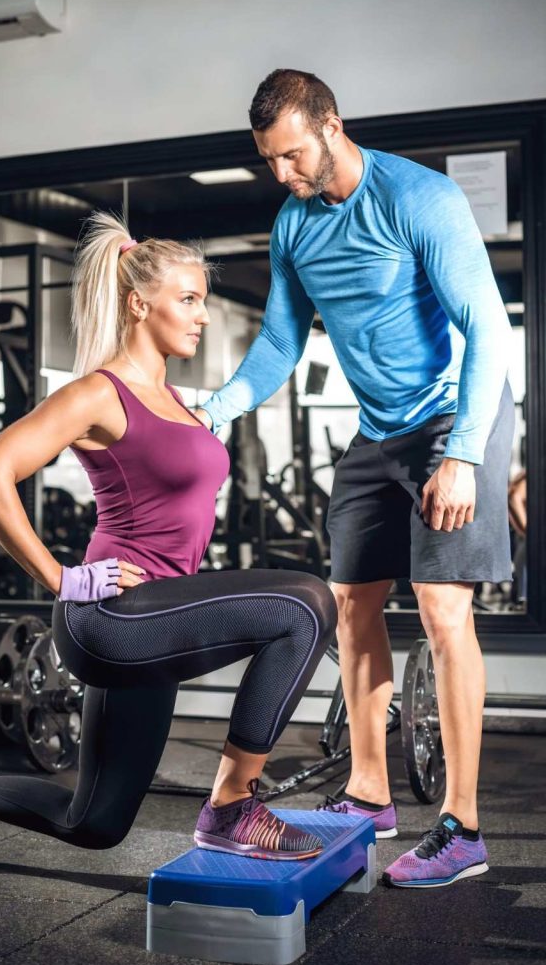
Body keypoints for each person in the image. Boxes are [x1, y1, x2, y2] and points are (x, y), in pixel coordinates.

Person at [0, 212, 338, 868]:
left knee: (95, 823)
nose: (202, 316)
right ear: (138, 303)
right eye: (188, 300)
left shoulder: (178, 399)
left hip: (160, 615)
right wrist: (61, 578)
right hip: (112, 616)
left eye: (202, 302)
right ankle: (233, 807)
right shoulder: (98, 393)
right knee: (305, 605)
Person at [196, 69, 514, 888]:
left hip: (453, 417)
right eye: (269, 161)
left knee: (443, 610)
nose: (283, 176)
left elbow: (487, 332)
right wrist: (217, 408)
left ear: (333, 125)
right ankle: (371, 791)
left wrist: (466, 454)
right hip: (377, 431)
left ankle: (463, 825)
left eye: (292, 155)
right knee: (349, 602)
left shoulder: (421, 199)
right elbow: (278, 342)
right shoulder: (292, 224)